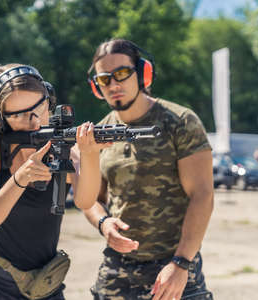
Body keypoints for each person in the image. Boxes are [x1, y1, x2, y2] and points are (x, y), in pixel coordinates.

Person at [0, 63, 108, 299]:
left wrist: (90, 153)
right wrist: (20, 178)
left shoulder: (63, 145)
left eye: (41, 107)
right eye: (20, 115)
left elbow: (85, 201)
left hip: (44, 285)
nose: (35, 121)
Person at [83, 39, 214, 300]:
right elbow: (90, 200)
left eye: (121, 74)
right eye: (104, 79)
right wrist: (103, 222)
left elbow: (202, 196)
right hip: (118, 269)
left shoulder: (180, 122)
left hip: (173, 265)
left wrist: (181, 264)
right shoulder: (99, 133)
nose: (114, 85)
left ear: (143, 73)